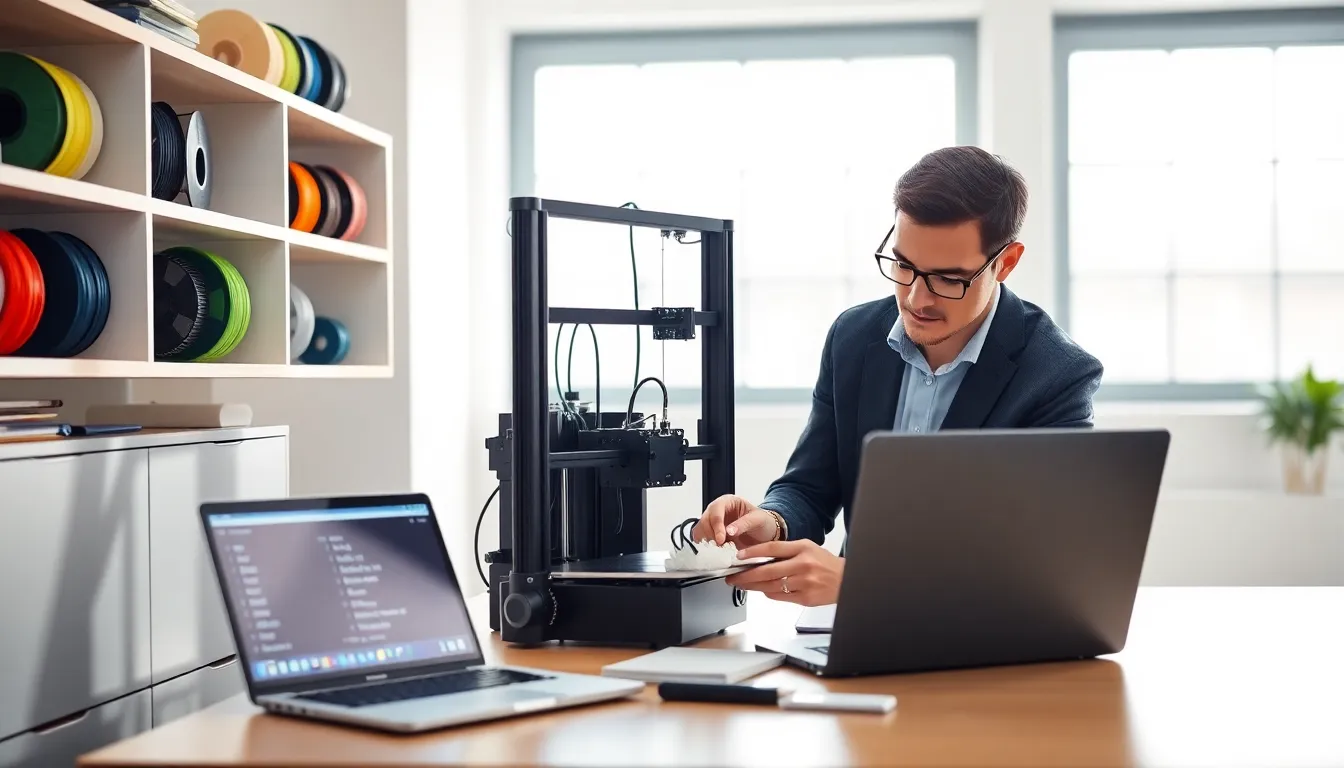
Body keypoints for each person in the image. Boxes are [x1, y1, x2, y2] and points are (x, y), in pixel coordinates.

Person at [692, 145, 1104, 607]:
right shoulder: (853, 337)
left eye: (949, 279)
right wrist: (771, 521)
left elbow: (1038, 560)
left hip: (983, 635)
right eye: (904, 266)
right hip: (852, 634)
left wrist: (860, 583)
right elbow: (810, 485)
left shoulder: (1057, 374)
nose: (915, 298)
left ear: (1006, 263)